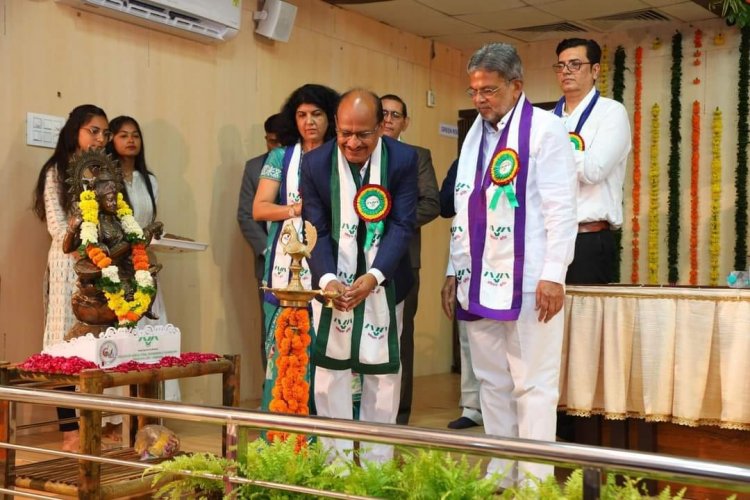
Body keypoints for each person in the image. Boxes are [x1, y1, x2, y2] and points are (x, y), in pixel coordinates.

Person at [440, 43, 577, 486]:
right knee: (491, 381)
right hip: (477, 278)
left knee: (532, 384)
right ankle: (502, 473)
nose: (480, 99)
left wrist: (554, 275)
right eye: (474, 90)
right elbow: (464, 207)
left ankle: (535, 482)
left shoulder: (546, 130)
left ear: (517, 86)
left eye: (490, 91)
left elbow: (561, 209)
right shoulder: (475, 135)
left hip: (530, 280)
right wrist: (451, 270)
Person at [301, 89, 417, 463]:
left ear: (381, 127)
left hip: (386, 284)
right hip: (331, 285)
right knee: (330, 373)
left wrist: (374, 276)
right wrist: (328, 280)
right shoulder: (316, 163)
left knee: (382, 375)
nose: (352, 142)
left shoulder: (402, 159)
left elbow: (402, 224)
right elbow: (314, 226)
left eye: (363, 134)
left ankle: (375, 464)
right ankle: (334, 465)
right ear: (336, 126)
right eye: (345, 133)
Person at [551, 38, 632, 443]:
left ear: (596, 69)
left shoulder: (611, 113)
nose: (567, 72)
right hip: (550, 241)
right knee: (549, 334)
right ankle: (555, 422)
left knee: (585, 338)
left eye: (576, 64)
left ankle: (587, 429)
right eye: (561, 65)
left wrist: (554, 153)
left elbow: (596, 168)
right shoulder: (549, 117)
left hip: (589, 240)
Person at [252, 84, 339, 415]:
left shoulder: (340, 155)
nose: (309, 122)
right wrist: (297, 210)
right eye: (301, 115)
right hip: (284, 265)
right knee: (282, 349)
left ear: (330, 118)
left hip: (328, 262)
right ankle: (280, 432)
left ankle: (325, 438)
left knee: (323, 351)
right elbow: (260, 209)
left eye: (316, 114)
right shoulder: (281, 156)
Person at [32, 104, 111, 452]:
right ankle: (69, 432)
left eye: (104, 133)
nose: (100, 138)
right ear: (74, 131)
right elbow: (56, 224)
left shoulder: (101, 172)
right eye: (93, 130)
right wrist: (83, 250)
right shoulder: (55, 171)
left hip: (100, 267)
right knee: (63, 346)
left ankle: (93, 425)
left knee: (95, 345)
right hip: (68, 264)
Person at [379, 94, 440, 425]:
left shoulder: (418, 156)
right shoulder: (359, 154)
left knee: (400, 336)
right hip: (358, 260)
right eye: (383, 113)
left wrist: (393, 222)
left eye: (395, 115)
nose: (388, 119)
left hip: (403, 260)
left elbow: (431, 202)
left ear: (405, 122)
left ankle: (399, 415)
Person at [439, 159, 483, 430]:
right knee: (468, 335)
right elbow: (446, 206)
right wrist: (451, 271)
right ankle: (472, 406)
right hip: (467, 253)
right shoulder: (466, 160)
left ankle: (503, 405)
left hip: (510, 255)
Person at [237, 113, 283, 371]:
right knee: (270, 327)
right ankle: (271, 394)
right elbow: (245, 215)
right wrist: (269, 250)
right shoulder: (255, 167)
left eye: (280, 142)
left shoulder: (304, 161)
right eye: (270, 141)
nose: (275, 148)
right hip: (268, 262)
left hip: (307, 262)